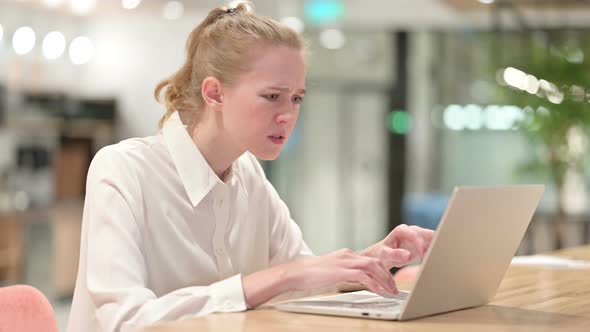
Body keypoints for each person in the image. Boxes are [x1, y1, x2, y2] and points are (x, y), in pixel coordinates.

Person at [67, 3, 434, 332]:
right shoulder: (122, 169)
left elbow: (302, 276)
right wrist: (277, 277)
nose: (288, 115)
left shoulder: (249, 173)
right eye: (272, 96)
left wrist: (373, 259)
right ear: (215, 94)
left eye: (296, 98)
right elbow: (126, 321)